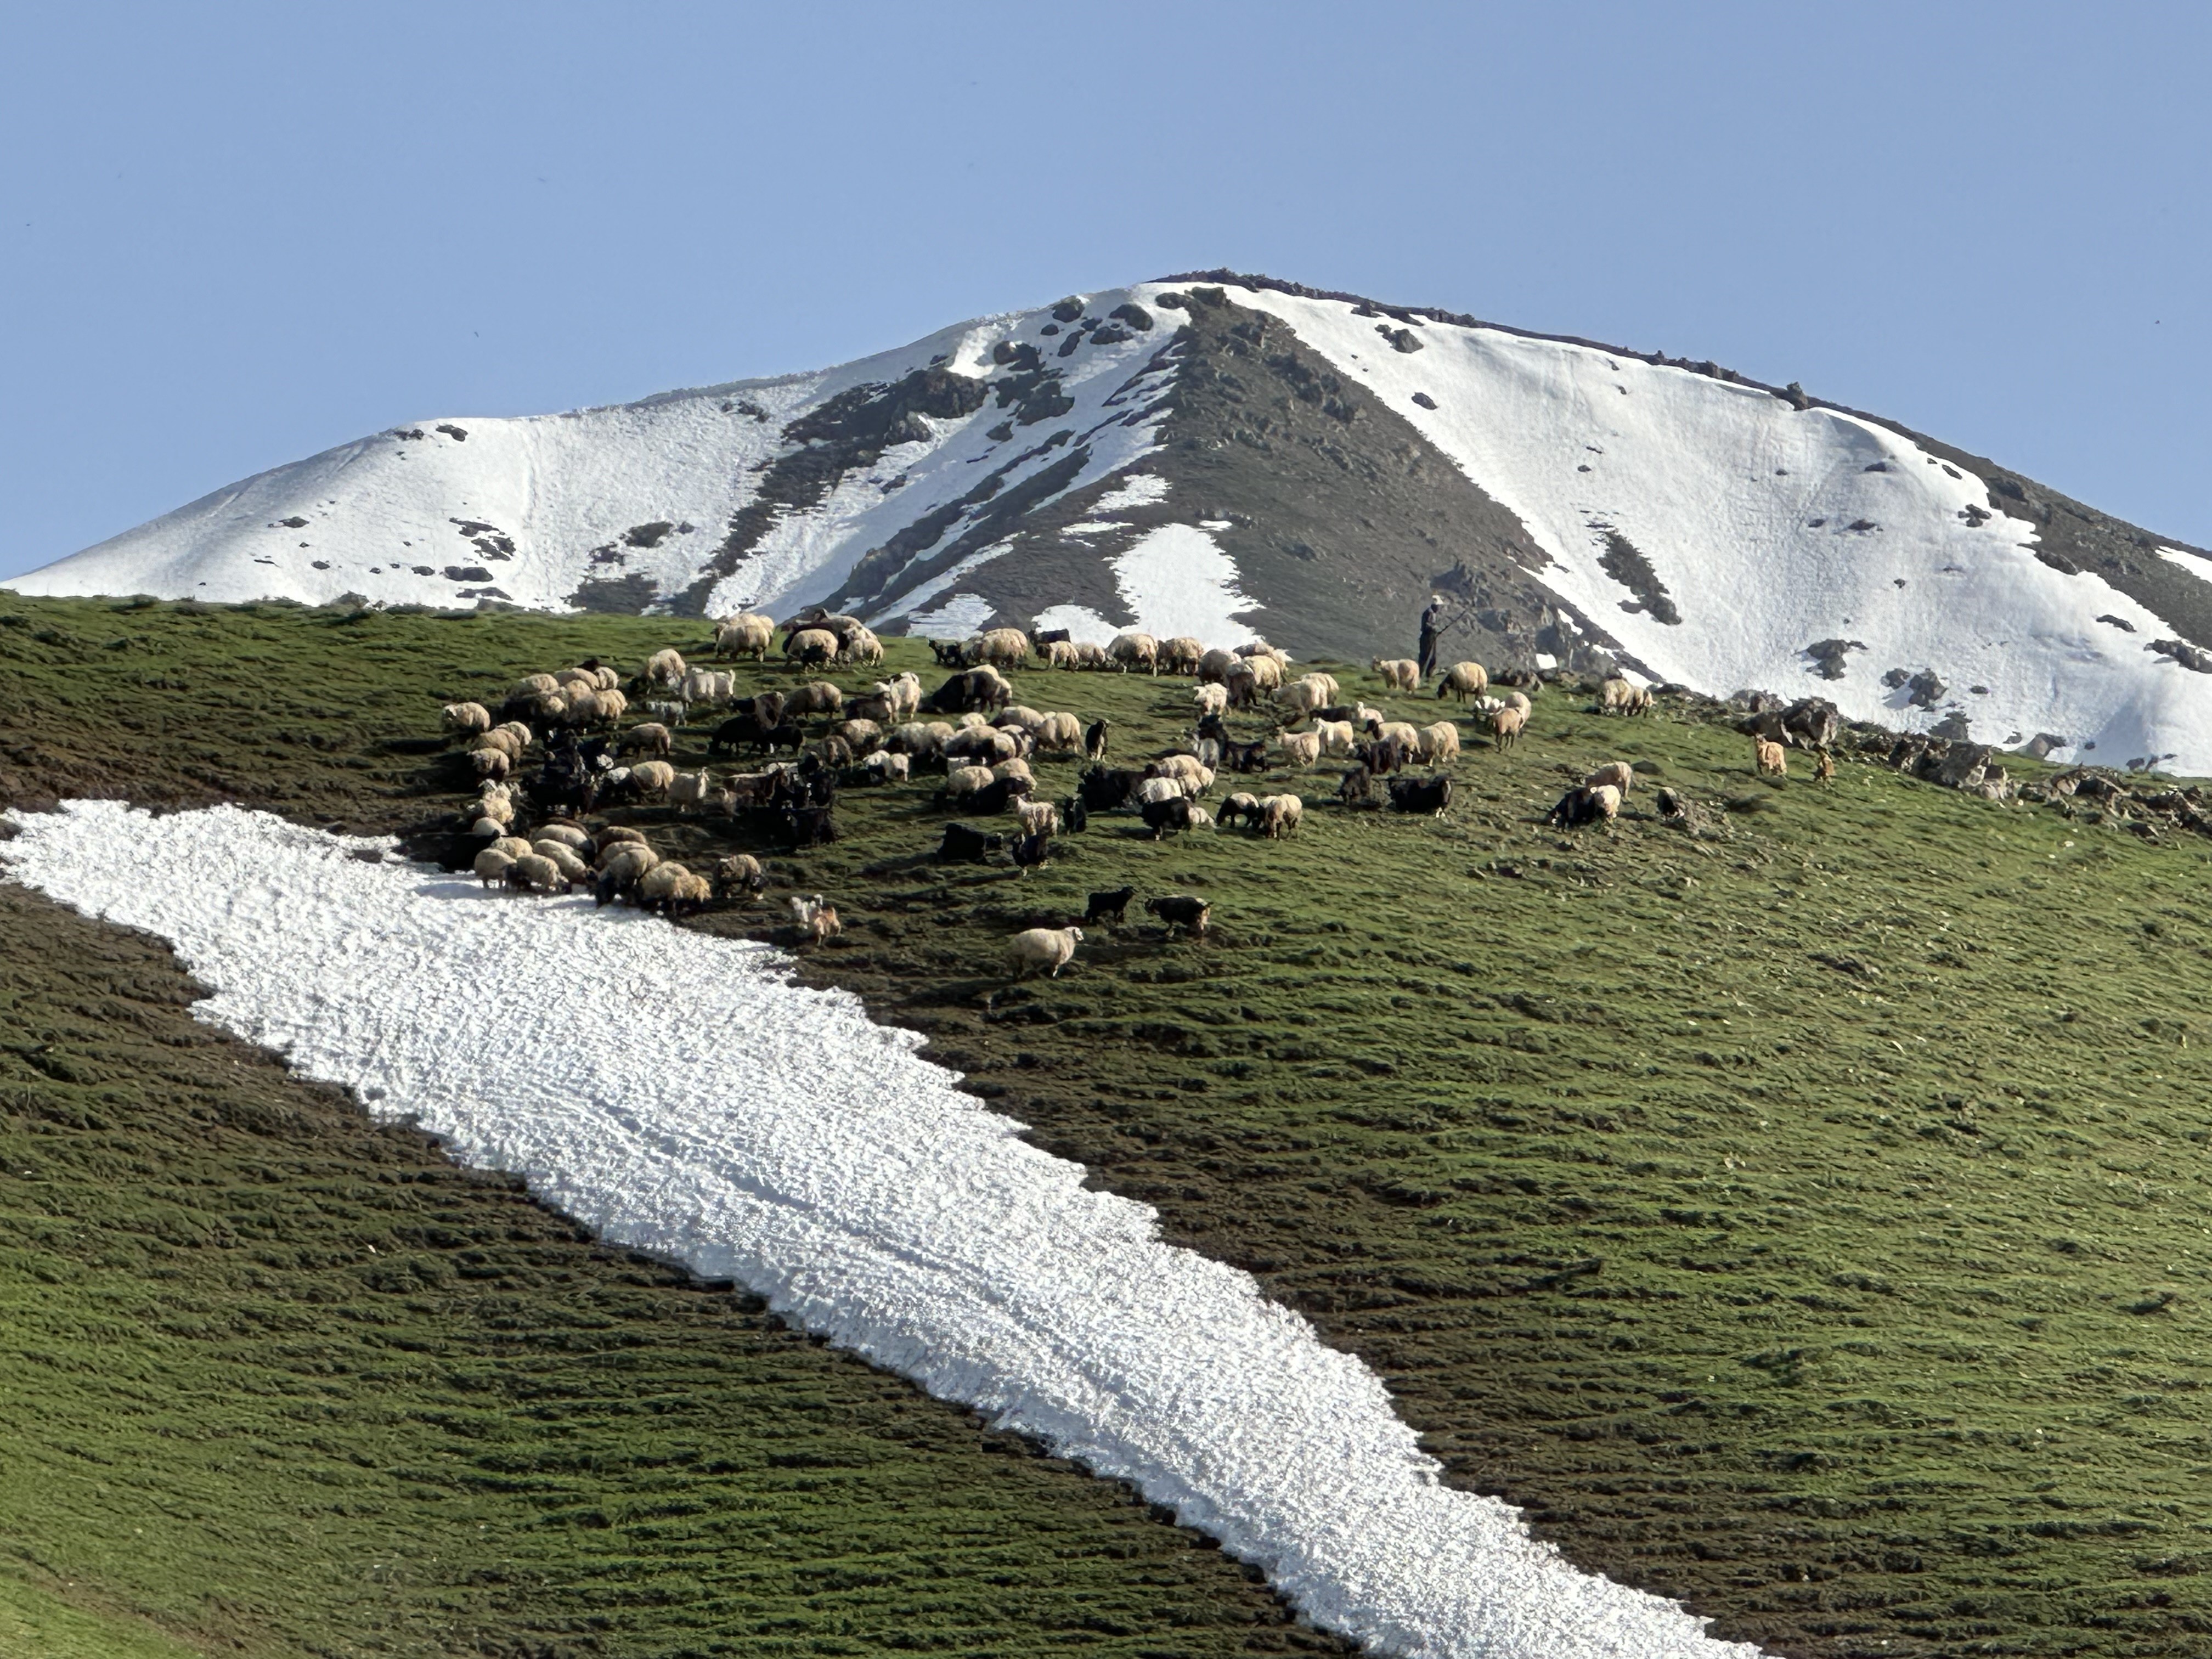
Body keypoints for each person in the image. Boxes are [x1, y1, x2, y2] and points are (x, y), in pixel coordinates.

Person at [1417, 595, 1444, 681]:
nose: (1439, 608)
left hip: (1432, 637)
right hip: (1427, 637)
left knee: (1433, 657)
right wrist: (1436, 629)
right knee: (1424, 657)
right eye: (1438, 606)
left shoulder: (1432, 613)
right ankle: (1420, 675)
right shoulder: (1429, 613)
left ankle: (1429, 675)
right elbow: (1427, 625)